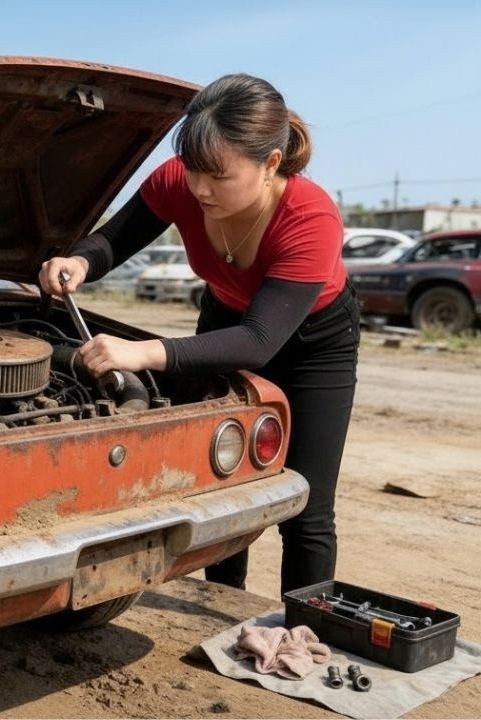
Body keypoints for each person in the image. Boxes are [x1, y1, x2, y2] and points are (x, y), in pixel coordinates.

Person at [38, 73, 358, 595]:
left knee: (306, 503)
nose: (199, 187)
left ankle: (307, 636)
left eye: (217, 175)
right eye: (192, 169)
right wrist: (79, 260)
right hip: (223, 320)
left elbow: (260, 341)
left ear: (270, 164)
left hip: (313, 344)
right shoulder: (180, 180)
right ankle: (226, 606)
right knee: (223, 483)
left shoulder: (311, 216)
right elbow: (114, 240)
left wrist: (141, 353)